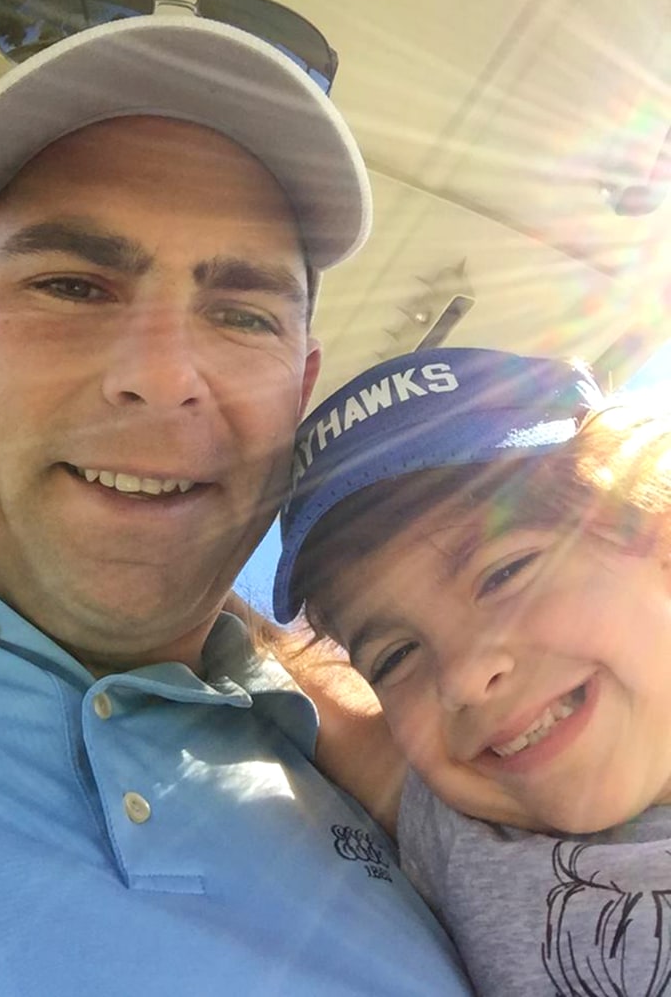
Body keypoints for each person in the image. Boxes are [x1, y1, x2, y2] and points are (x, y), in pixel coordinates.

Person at [0, 0, 472, 996]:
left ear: (298, 392)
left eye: (242, 314)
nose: (164, 374)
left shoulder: (409, 769)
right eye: (74, 285)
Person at [273, 344, 671, 995]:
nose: (460, 677)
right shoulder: (460, 828)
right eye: (394, 656)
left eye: (507, 570)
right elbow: (307, 690)